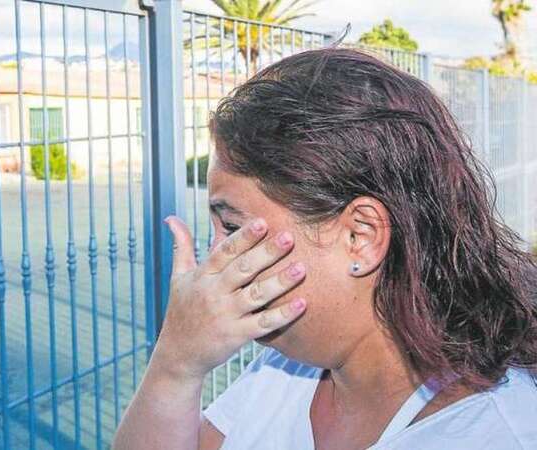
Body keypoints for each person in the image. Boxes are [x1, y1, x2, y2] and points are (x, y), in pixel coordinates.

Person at [112, 48, 537, 449]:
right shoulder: (288, 371)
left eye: (233, 226)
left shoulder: (493, 434)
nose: (215, 259)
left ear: (361, 236)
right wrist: (175, 365)